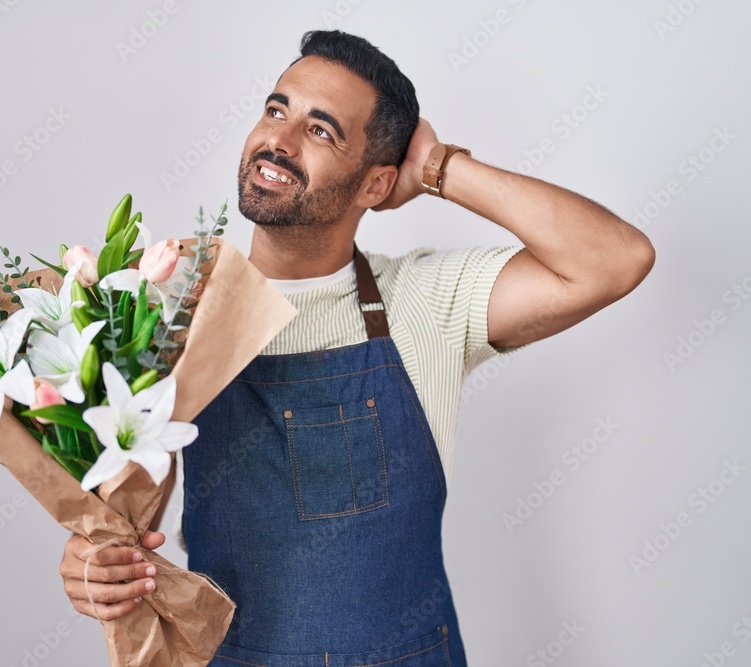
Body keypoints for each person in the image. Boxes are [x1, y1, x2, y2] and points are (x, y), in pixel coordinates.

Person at [59, 30, 654, 665]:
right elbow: (123, 516)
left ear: (376, 186)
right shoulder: (170, 301)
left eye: (321, 131)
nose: (278, 141)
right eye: (276, 108)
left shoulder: (427, 300)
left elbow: (617, 260)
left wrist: (439, 168)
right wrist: (95, 561)